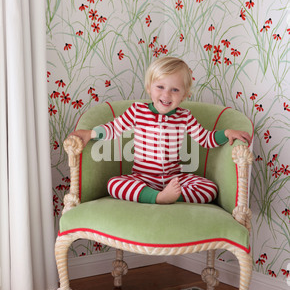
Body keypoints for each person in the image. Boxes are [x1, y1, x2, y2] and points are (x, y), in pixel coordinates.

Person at [70, 57, 252, 204]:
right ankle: (156, 197)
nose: (166, 95)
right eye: (160, 87)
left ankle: (172, 196)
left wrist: (226, 133)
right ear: (149, 88)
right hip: (142, 178)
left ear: (184, 95)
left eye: (175, 89)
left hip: (174, 179)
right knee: (114, 184)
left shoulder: (184, 116)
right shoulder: (137, 111)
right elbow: (113, 129)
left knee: (209, 189)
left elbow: (205, 138)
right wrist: (91, 133)